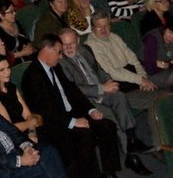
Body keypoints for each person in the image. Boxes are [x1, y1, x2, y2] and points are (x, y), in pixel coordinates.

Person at [21, 34, 121, 178]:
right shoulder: (32, 77)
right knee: (85, 135)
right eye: (59, 52)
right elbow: (46, 110)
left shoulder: (55, 67)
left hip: (71, 113)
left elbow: (72, 90)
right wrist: (72, 122)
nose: (61, 56)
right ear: (47, 50)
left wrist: (91, 109)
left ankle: (109, 172)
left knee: (107, 126)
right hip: (54, 123)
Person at [58, 28, 155, 175]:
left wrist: (108, 81)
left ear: (78, 41)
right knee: (112, 115)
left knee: (120, 96)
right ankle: (131, 156)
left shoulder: (85, 50)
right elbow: (74, 89)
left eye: (71, 43)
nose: (69, 47)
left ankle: (131, 140)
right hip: (85, 101)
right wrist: (102, 88)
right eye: (65, 44)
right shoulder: (61, 62)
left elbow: (98, 71)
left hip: (102, 90)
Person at [0, 55, 41, 142]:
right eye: (2, 70)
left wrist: (32, 132)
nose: (8, 72)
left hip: (28, 131)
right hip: (13, 138)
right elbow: (10, 128)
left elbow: (28, 115)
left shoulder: (11, 87)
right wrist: (30, 124)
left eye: (8, 68)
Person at [141, 16, 173, 92]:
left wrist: (164, 64)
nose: (171, 38)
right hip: (148, 76)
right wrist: (169, 64)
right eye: (170, 32)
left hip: (167, 72)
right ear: (165, 28)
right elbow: (149, 69)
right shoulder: (152, 38)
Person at [0, 0, 36, 64]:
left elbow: (26, 39)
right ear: (1, 15)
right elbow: (2, 56)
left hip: (29, 57)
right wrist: (22, 53)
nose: (15, 13)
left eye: (14, 10)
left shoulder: (16, 22)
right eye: (11, 12)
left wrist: (29, 46)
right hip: (14, 64)